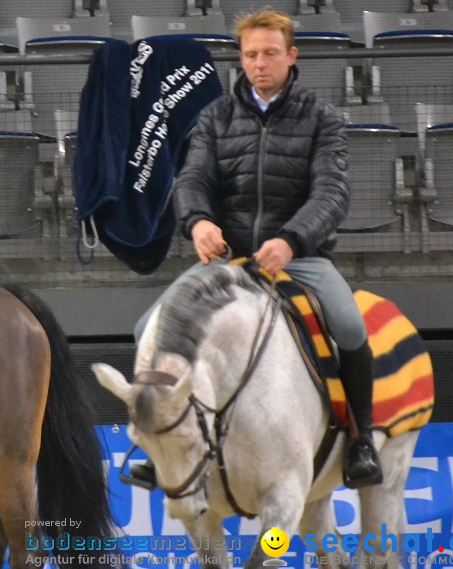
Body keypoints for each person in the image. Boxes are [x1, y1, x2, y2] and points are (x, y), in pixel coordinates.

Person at [129, 11, 382, 490]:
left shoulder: (322, 118)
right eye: (250, 55)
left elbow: (331, 193)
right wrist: (198, 221)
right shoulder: (215, 117)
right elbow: (193, 179)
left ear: (291, 55)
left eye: (269, 54)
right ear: (241, 59)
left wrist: (292, 241)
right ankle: (154, 441)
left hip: (301, 256)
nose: (260, 64)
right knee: (147, 328)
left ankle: (361, 440)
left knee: (349, 326)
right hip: (227, 260)